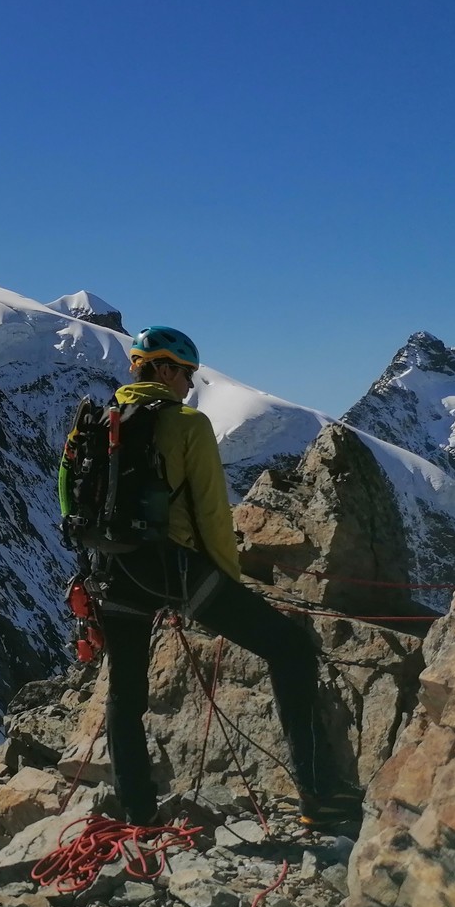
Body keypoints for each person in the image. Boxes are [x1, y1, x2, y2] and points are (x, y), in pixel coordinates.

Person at [86, 326, 361, 829]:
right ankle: (319, 794)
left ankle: (138, 815)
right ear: (165, 369)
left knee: (125, 695)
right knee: (289, 648)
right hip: (176, 572)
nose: (189, 384)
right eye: (185, 372)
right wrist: (228, 581)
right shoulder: (187, 423)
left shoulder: (98, 422)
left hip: (112, 572)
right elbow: (212, 512)